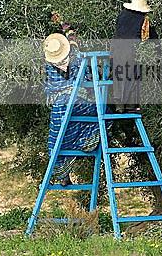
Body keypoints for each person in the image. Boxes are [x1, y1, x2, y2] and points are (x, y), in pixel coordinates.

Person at [43, 33, 111, 186]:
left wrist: (72, 91)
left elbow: (88, 81)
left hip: (85, 102)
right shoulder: (50, 66)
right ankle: (61, 170)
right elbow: (51, 87)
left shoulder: (78, 59)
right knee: (58, 119)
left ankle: (86, 140)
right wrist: (68, 91)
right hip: (64, 105)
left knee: (64, 109)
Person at [110, 0, 158, 113]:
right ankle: (131, 106)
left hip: (115, 48)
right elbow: (147, 37)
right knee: (133, 76)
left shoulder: (122, 15)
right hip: (130, 49)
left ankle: (119, 104)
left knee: (119, 75)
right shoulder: (143, 19)